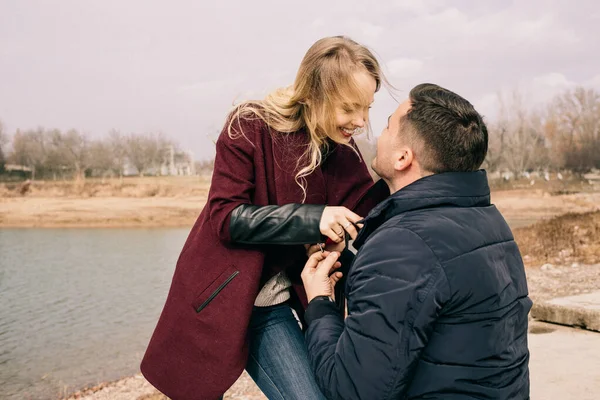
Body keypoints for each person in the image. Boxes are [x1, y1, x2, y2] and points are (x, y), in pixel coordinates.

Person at [140, 36, 390, 400]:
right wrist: (313, 220)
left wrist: (410, 177)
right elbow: (225, 218)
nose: (361, 121)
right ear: (313, 92)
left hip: (282, 300)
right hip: (227, 298)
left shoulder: (343, 150)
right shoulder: (249, 125)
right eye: (349, 107)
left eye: (366, 108)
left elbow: (368, 215)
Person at [301, 83, 532, 400]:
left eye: (387, 126)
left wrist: (320, 305)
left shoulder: (403, 245)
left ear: (402, 157)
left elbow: (351, 391)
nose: (375, 132)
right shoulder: (489, 222)